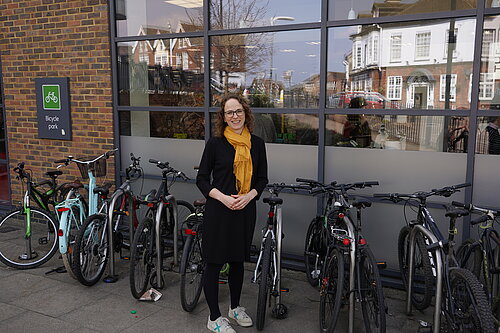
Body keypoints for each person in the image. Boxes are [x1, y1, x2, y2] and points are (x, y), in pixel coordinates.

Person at [196, 94, 268, 333]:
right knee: (214, 263)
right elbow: (202, 179)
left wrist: (249, 196)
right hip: (219, 210)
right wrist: (223, 197)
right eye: (230, 112)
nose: (235, 116)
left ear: (245, 114)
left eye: (238, 111)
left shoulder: (256, 144)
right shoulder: (215, 144)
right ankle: (214, 317)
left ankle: (235, 308)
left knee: (238, 262)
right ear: (223, 117)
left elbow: (262, 178)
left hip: (245, 210)